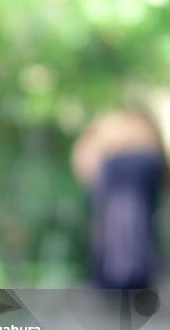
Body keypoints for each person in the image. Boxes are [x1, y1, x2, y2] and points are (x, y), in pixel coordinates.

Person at [71, 110, 166, 289]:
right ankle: (135, 276)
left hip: (118, 164)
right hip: (146, 163)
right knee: (139, 221)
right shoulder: (140, 125)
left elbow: (85, 160)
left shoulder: (103, 129)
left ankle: (115, 277)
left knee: (114, 221)